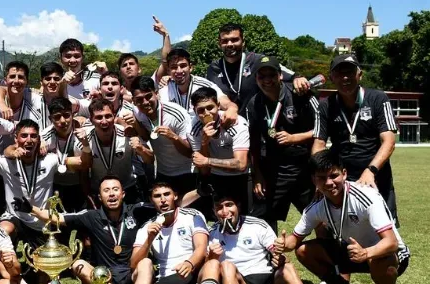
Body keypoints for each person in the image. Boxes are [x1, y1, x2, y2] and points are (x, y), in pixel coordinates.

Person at [275, 150, 410, 284]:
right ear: (314, 180)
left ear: (344, 174)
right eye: (322, 178)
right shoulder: (316, 207)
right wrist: (283, 244)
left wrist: (366, 253)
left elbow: (391, 242)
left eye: (334, 175)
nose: (329, 183)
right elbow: (295, 240)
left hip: (388, 254)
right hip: (354, 252)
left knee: (380, 258)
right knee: (304, 251)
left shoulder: (366, 196)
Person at [194, 193, 339, 284]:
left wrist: (279, 257)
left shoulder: (257, 225)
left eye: (229, 205)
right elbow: (207, 270)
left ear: (238, 206)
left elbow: (276, 253)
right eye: (219, 207)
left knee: (288, 268)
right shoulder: (212, 233)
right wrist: (211, 256)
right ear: (214, 211)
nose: (225, 211)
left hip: (268, 282)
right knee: (226, 265)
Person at [24, 176, 158, 284]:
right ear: (100, 197)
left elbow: (161, 206)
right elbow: (59, 217)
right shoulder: (91, 216)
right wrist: (31, 209)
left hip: (131, 274)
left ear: (123, 194)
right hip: (103, 277)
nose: (111, 194)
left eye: (115, 189)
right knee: (78, 264)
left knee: (146, 262)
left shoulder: (136, 212)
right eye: (106, 190)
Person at [312, 54, 399, 221]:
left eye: (350, 72)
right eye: (339, 73)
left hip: (376, 175)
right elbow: (319, 144)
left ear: (360, 74)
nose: (345, 78)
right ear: (332, 77)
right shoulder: (324, 106)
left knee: (385, 230)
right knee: (345, 229)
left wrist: (370, 170)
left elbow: (389, 141)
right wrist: (320, 177)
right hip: (341, 179)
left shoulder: (378, 99)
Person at [123, 181, 209, 284]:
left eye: (166, 194)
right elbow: (133, 264)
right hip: (168, 280)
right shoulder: (147, 227)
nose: (163, 199)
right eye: (157, 196)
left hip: (194, 272)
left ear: (175, 196)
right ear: (151, 200)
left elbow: (202, 248)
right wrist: (149, 239)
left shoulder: (192, 216)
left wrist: (189, 263)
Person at [246, 56, 319, 231]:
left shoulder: (300, 94)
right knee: (262, 219)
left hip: (305, 169)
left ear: (280, 75)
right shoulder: (254, 103)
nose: (267, 80)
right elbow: (253, 144)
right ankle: (269, 257)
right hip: (274, 170)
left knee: (319, 217)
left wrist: (295, 138)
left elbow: (323, 128)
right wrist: (257, 175)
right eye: (261, 76)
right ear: (256, 79)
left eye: (271, 75)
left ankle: (328, 256)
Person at [0, 120, 64, 246]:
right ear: (16, 139)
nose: (29, 140)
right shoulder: (5, 162)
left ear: (39, 139)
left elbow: (81, 163)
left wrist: (85, 144)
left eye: (33, 136)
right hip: (14, 217)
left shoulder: (50, 160)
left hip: (42, 221)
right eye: (24, 136)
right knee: (3, 232)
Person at [205, 23, 310, 111]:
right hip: (229, 127)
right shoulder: (213, 68)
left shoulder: (258, 61)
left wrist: (298, 78)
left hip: (257, 124)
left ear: (243, 42)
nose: (229, 44)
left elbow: (290, 75)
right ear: (219, 44)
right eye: (225, 41)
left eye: (234, 40)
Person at [188, 86, 251, 216]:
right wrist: (205, 142)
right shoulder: (193, 129)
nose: (206, 113)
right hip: (217, 177)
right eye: (200, 110)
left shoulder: (237, 124)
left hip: (242, 177)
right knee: (222, 217)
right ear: (194, 111)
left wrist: (207, 161)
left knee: (245, 218)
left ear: (218, 105)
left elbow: (241, 164)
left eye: (210, 107)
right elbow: (204, 170)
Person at [127, 76, 194, 196]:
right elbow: (147, 136)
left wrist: (174, 137)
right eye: (139, 99)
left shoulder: (177, 114)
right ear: (133, 100)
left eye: (148, 96)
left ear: (157, 94)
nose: (145, 103)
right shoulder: (137, 113)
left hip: (186, 173)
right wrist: (135, 126)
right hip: (163, 173)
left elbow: (190, 152)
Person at [82, 99, 153, 205]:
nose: (104, 121)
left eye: (108, 116)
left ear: (114, 116)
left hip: (127, 189)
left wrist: (141, 149)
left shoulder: (127, 134)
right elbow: (83, 173)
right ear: (91, 120)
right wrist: (88, 196)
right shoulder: (84, 139)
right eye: (99, 117)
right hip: (99, 192)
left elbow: (150, 159)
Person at [159, 48, 237, 122]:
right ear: (168, 71)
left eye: (183, 66)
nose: (179, 71)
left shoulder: (204, 85)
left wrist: (232, 108)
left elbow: (224, 101)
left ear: (191, 67)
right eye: (174, 67)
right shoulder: (165, 89)